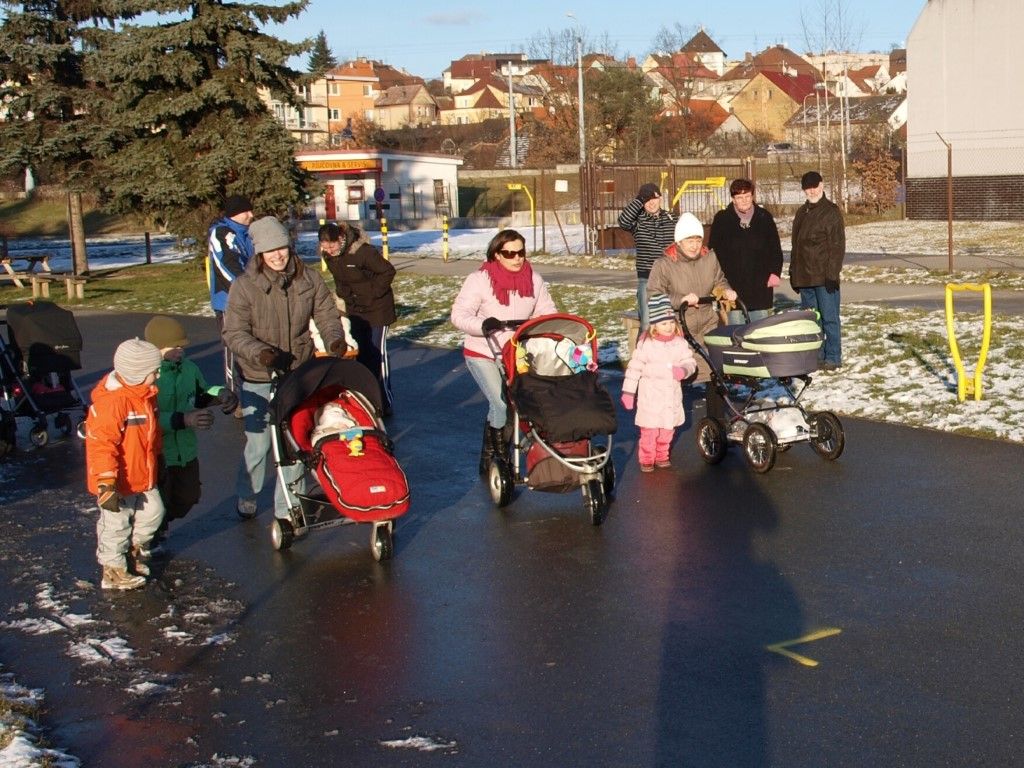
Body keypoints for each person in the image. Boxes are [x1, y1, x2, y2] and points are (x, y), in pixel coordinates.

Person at [222, 215, 346, 523]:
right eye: (270, 250)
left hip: (297, 371)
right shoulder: (244, 286)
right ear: (259, 254)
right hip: (259, 373)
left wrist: (335, 341)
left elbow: (327, 314)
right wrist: (260, 353)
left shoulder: (309, 278)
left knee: (293, 441)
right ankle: (246, 493)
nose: (278, 255)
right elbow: (233, 333)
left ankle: (288, 509)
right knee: (261, 445)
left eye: (282, 248)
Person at [450, 228, 557, 474]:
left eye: (521, 252)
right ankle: (496, 456)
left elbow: (547, 310)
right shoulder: (479, 280)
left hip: (517, 351)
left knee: (522, 402)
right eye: (510, 253)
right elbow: (459, 314)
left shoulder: (534, 279)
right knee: (499, 404)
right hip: (484, 351)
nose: (517, 258)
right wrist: (482, 325)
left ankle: (529, 449)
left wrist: (541, 326)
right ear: (497, 254)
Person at [144, 316, 238, 547]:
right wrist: (183, 419)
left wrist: (222, 395)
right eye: (174, 347)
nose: (180, 351)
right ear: (157, 348)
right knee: (158, 500)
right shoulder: (150, 376)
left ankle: (160, 522)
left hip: (186, 450)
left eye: (182, 347)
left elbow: (200, 393)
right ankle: (149, 535)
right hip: (160, 452)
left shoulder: (189, 368)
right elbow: (147, 418)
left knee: (188, 497)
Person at [84, 338, 164, 590]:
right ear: (138, 373)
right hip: (115, 481)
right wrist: (106, 482)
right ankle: (113, 569)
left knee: (154, 512)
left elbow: (151, 435)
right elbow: (101, 444)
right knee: (116, 524)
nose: (158, 374)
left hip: (142, 473)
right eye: (154, 371)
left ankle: (134, 548)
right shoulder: (114, 403)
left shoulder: (145, 395)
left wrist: (157, 457)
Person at [647, 212, 737, 385]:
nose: (695, 246)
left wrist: (726, 290)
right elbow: (653, 295)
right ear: (679, 241)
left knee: (715, 370)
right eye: (690, 241)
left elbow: (719, 280)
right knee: (681, 374)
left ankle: (716, 409)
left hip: (708, 322)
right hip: (679, 326)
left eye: (698, 240)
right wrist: (681, 299)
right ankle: (675, 409)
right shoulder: (664, 264)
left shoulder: (709, 258)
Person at [318, 221, 397, 416]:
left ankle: (384, 402)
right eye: (324, 246)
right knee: (359, 353)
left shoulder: (363, 252)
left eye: (332, 245)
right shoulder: (329, 256)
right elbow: (339, 278)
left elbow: (388, 271)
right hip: (354, 309)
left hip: (377, 309)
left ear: (341, 239)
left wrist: (372, 293)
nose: (329, 250)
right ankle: (364, 399)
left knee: (376, 354)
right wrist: (342, 294)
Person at [620, 294, 697, 472]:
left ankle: (662, 454)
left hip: (671, 396)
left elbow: (690, 361)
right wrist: (628, 392)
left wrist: (684, 370)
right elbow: (634, 368)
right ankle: (647, 457)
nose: (669, 327)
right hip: (651, 397)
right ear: (654, 325)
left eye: (671, 322)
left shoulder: (679, 343)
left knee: (667, 430)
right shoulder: (647, 344)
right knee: (650, 431)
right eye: (664, 323)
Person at [708, 178, 784, 325]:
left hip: (760, 287)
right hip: (732, 288)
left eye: (747, 196)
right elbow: (713, 254)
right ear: (733, 199)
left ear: (752, 196)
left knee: (759, 331)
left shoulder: (764, 217)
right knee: (737, 332)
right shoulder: (722, 219)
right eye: (739, 197)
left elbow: (775, 249)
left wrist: (774, 274)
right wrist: (718, 283)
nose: (744, 200)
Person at [791, 171, 846, 370]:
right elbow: (796, 245)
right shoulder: (801, 212)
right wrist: (793, 274)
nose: (812, 190)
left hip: (824, 278)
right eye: (808, 187)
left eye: (815, 186)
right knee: (813, 321)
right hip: (805, 277)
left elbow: (837, 246)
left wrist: (832, 274)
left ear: (822, 186)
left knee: (830, 318)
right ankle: (818, 355)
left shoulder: (831, 211)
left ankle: (833, 356)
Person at [208, 194, 255, 413]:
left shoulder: (248, 233)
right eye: (246, 211)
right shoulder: (221, 233)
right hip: (229, 301)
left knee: (252, 346)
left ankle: (254, 393)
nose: (251, 215)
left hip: (252, 300)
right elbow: (227, 264)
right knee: (233, 348)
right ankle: (234, 397)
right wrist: (246, 289)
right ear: (235, 213)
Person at [617, 183, 678, 332]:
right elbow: (623, 221)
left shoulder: (672, 218)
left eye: (654, 198)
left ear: (661, 198)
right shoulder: (638, 221)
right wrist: (639, 200)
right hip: (647, 278)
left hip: (671, 278)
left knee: (672, 323)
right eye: (646, 199)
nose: (651, 202)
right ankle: (644, 353)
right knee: (647, 324)